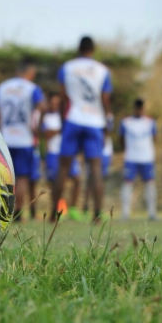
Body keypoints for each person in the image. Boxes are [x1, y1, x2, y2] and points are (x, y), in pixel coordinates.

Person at [51, 36, 112, 223]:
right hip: (94, 121)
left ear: (78, 49)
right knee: (95, 168)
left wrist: (63, 121)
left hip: (73, 119)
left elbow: (63, 98)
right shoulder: (103, 71)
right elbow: (105, 99)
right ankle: (97, 214)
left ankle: (54, 214)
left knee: (63, 167)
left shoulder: (67, 67)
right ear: (93, 50)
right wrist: (107, 123)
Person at [0, 58, 45, 222]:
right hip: (24, 138)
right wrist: (36, 128)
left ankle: (1, 210)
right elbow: (40, 109)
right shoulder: (33, 89)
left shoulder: (3, 87)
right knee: (22, 177)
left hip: (4, 137)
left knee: (4, 176)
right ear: (30, 72)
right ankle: (17, 212)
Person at [42, 93, 82, 220]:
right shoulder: (47, 117)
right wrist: (60, 129)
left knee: (77, 179)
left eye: (57, 104)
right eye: (52, 103)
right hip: (53, 153)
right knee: (55, 183)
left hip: (68, 152)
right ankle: (57, 208)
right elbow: (46, 134)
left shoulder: (69, 117)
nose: (55, 106)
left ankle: (73, 208)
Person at [120, 98, 157, 221]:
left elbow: (154, 138)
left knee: (150, 184)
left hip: (147, 158)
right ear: (134, 108)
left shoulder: (150, 122)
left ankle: (152, 213)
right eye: (138, 108)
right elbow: (121, 140)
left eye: (142, 108)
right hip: (131, 158)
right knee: (127, 184)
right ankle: (125, 213)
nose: (140, 111)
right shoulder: (126, 122)